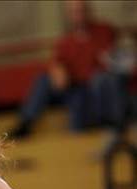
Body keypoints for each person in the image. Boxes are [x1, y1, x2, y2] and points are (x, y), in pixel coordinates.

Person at [10, 0, 117, 138]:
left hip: (90, 88)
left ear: (89, 11)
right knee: (43, 80)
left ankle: (82, 131)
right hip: (71, 86)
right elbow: (57, 62)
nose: (79, 15)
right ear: (69, 15)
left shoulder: (104, 31)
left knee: (82, 102)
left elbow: (112, 61)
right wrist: (57, 70)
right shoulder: (66, 40)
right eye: (74, 12)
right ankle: (26, 123)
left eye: (81, 11)